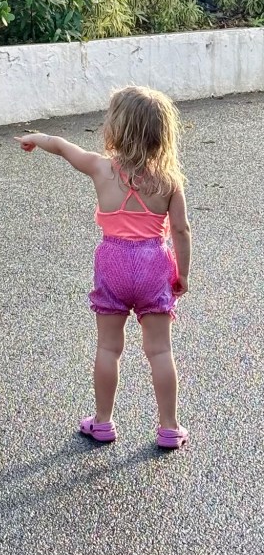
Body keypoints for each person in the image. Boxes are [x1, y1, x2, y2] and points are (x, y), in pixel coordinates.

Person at [15, 86, 191, 448]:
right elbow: (180, 230)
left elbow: (62, 146)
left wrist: (37, 138)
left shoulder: (101, 168)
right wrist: (183, 274)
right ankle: (169, 428)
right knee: (160, 351)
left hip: (113, 263)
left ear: (117, 128)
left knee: (109, 348)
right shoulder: (169, 181)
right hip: (153, 264)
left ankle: (103, 422)